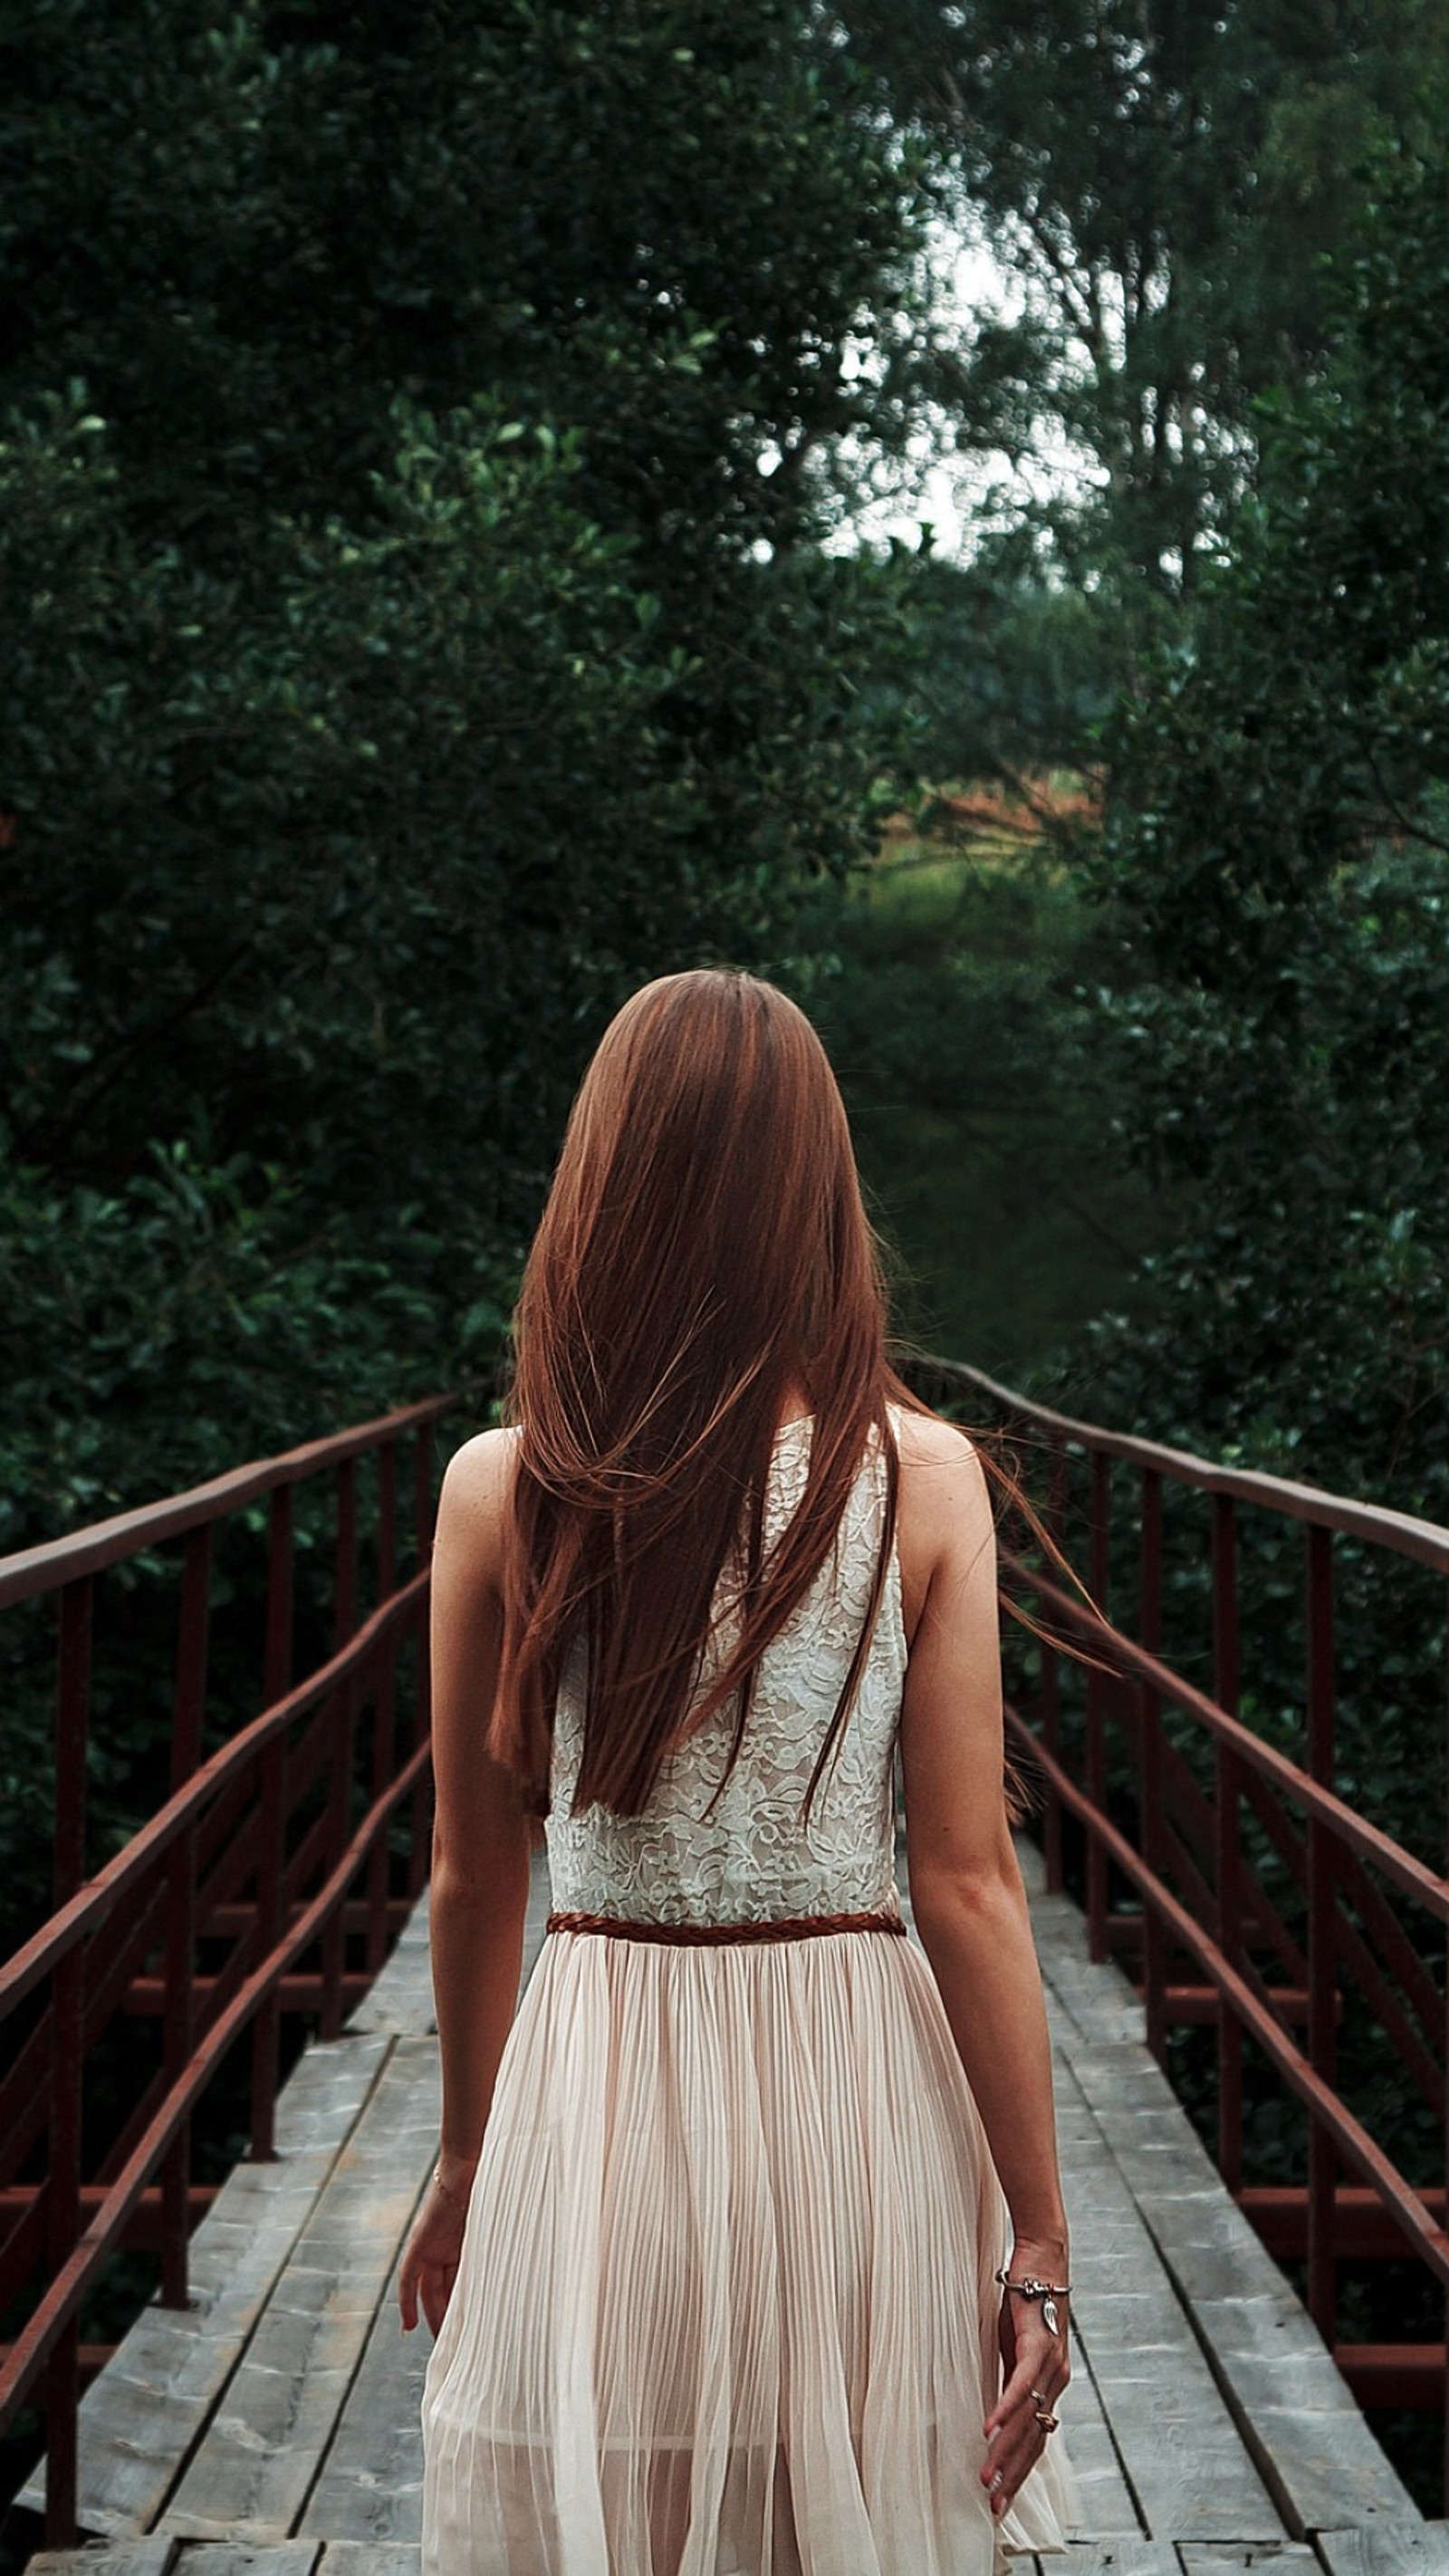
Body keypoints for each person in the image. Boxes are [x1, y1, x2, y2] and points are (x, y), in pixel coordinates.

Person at [398, 967, 1078, 2576]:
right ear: (818, 1200)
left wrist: (471, 2149)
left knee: (609, 2516)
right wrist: (1036, 2242)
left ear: (601, 1184)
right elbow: (968, 1880)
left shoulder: (506, 1488)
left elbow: (472, 1870)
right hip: (853, 2084)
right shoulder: (922, 1476)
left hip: (602, 2076)